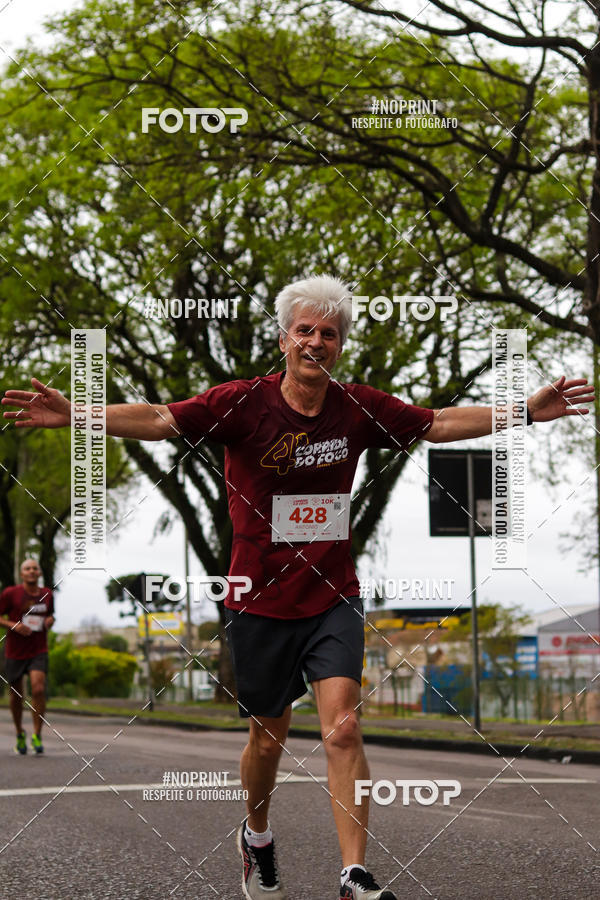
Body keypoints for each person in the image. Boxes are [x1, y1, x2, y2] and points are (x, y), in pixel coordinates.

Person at [2, 275, 594, 899]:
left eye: (329, 333)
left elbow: (437, 423)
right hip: (258, 601)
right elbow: (158, 419)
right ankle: (256, 835)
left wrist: (523, 410)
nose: (316, 341)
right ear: (284, 338)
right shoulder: (242, 402)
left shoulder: (357, 406)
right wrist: (80, 415)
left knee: (343, 729)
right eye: (304, 330)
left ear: (340, 345)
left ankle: (354, 874)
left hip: (333, 595)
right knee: (268, 736)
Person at [0, 558, 55, 755]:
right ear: (22, 574)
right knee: (16, 695)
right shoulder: (10, 594)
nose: (31, 571)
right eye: (27, 568)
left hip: (38, 649)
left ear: (39, 573)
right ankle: (19, 733)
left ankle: (37, 735)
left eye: (34, 568)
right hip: (15, 651)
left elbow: (51, 615)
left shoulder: (47, 594)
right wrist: (14, 625)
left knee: (38, 689)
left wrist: (50, 620)